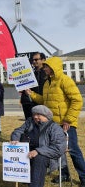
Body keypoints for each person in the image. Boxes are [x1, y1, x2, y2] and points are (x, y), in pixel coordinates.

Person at [26, 56, 85, 186]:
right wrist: (32, 94)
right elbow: (45, 102)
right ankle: (64, 174)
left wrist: (68, 120)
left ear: (54, 67)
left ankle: (84, 177)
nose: (44, 68)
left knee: (73, 150)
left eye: (46, 66)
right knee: (57, 152)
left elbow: (77, 100)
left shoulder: (65, 80)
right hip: (52, 125)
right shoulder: (47, 83)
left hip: (65, 124)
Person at [10, 105, 66, 187]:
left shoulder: (55, 128)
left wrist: (38, 151)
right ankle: (27, 178)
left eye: (39, 115)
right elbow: (18, 131)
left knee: (39, 159)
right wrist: (15, 138)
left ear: (47, 116)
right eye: (34, 114)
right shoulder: (30, 122)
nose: (35, 117)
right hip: (28, 152)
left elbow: (58, 148)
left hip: (48, 156)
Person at [20, 52, 46, 120]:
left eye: (36, 59)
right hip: (29, 104)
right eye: (32, 60)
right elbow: (27, 88)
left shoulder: (47, 74)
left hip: (43, 104)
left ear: (43, 60)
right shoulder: (30, 74)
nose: (34, 61)